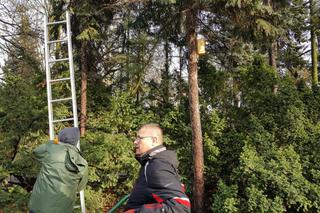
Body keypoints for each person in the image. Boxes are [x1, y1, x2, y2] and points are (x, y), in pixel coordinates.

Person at [124, 123, 191, 213]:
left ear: (154, 140)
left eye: (140, 138)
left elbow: (180, 207)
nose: (135, 141)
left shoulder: (157, 165)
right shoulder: (152, 163)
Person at [29, 127, 88, 213]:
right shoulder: (83, 163)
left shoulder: (51, 149)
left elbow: (36, 152)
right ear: (76, 141)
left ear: (60, 137)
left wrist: (53, 142)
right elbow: (80, 187)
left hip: (39, 206)